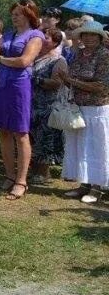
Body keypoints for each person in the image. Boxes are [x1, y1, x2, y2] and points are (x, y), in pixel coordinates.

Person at [0, 0, 45, 201]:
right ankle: (9, 175)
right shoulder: (8, 34)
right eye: (13, 13)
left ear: (29, 15)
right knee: (4, 131)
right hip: (2, 84)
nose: (14, 16)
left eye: (18, 13)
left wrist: (0, 60)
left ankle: (21, 181)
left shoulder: (35, 35)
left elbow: (24, 61)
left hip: (19, 86)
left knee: (20, 132)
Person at [56, 21, 109, 203]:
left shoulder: (104, 55)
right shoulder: (78, 54)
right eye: (85, 34)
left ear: (100, 37)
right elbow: (73, 78)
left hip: (97, 109)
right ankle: (84, 184)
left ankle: (97, 188)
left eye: (93, 35)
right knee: (80, 147)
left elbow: (102, 87)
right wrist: (66, 79)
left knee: (97, 148)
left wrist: (71, 81)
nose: (88, 37)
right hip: (78, 108)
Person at [29, 29, 67, 185]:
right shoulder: (34, 56)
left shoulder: (58, 60)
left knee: (45, 140)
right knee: (32, 139)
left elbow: (57, 84)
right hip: (31, 104)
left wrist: (35, 80)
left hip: (48, 107)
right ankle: (33, 170)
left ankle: (44, 173)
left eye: (47, 38)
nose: (43, 40)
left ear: (55, 43)